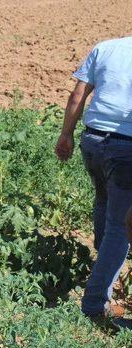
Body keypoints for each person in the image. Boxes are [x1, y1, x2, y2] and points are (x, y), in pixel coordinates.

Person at [55, 36, 132, 327]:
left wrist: (66, 134)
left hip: (93, 140)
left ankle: (103, 267)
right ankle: (94, 304)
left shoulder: (106, 48)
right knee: (120, 228)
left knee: (104, 200)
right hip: (126, 147)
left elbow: (78, 95)